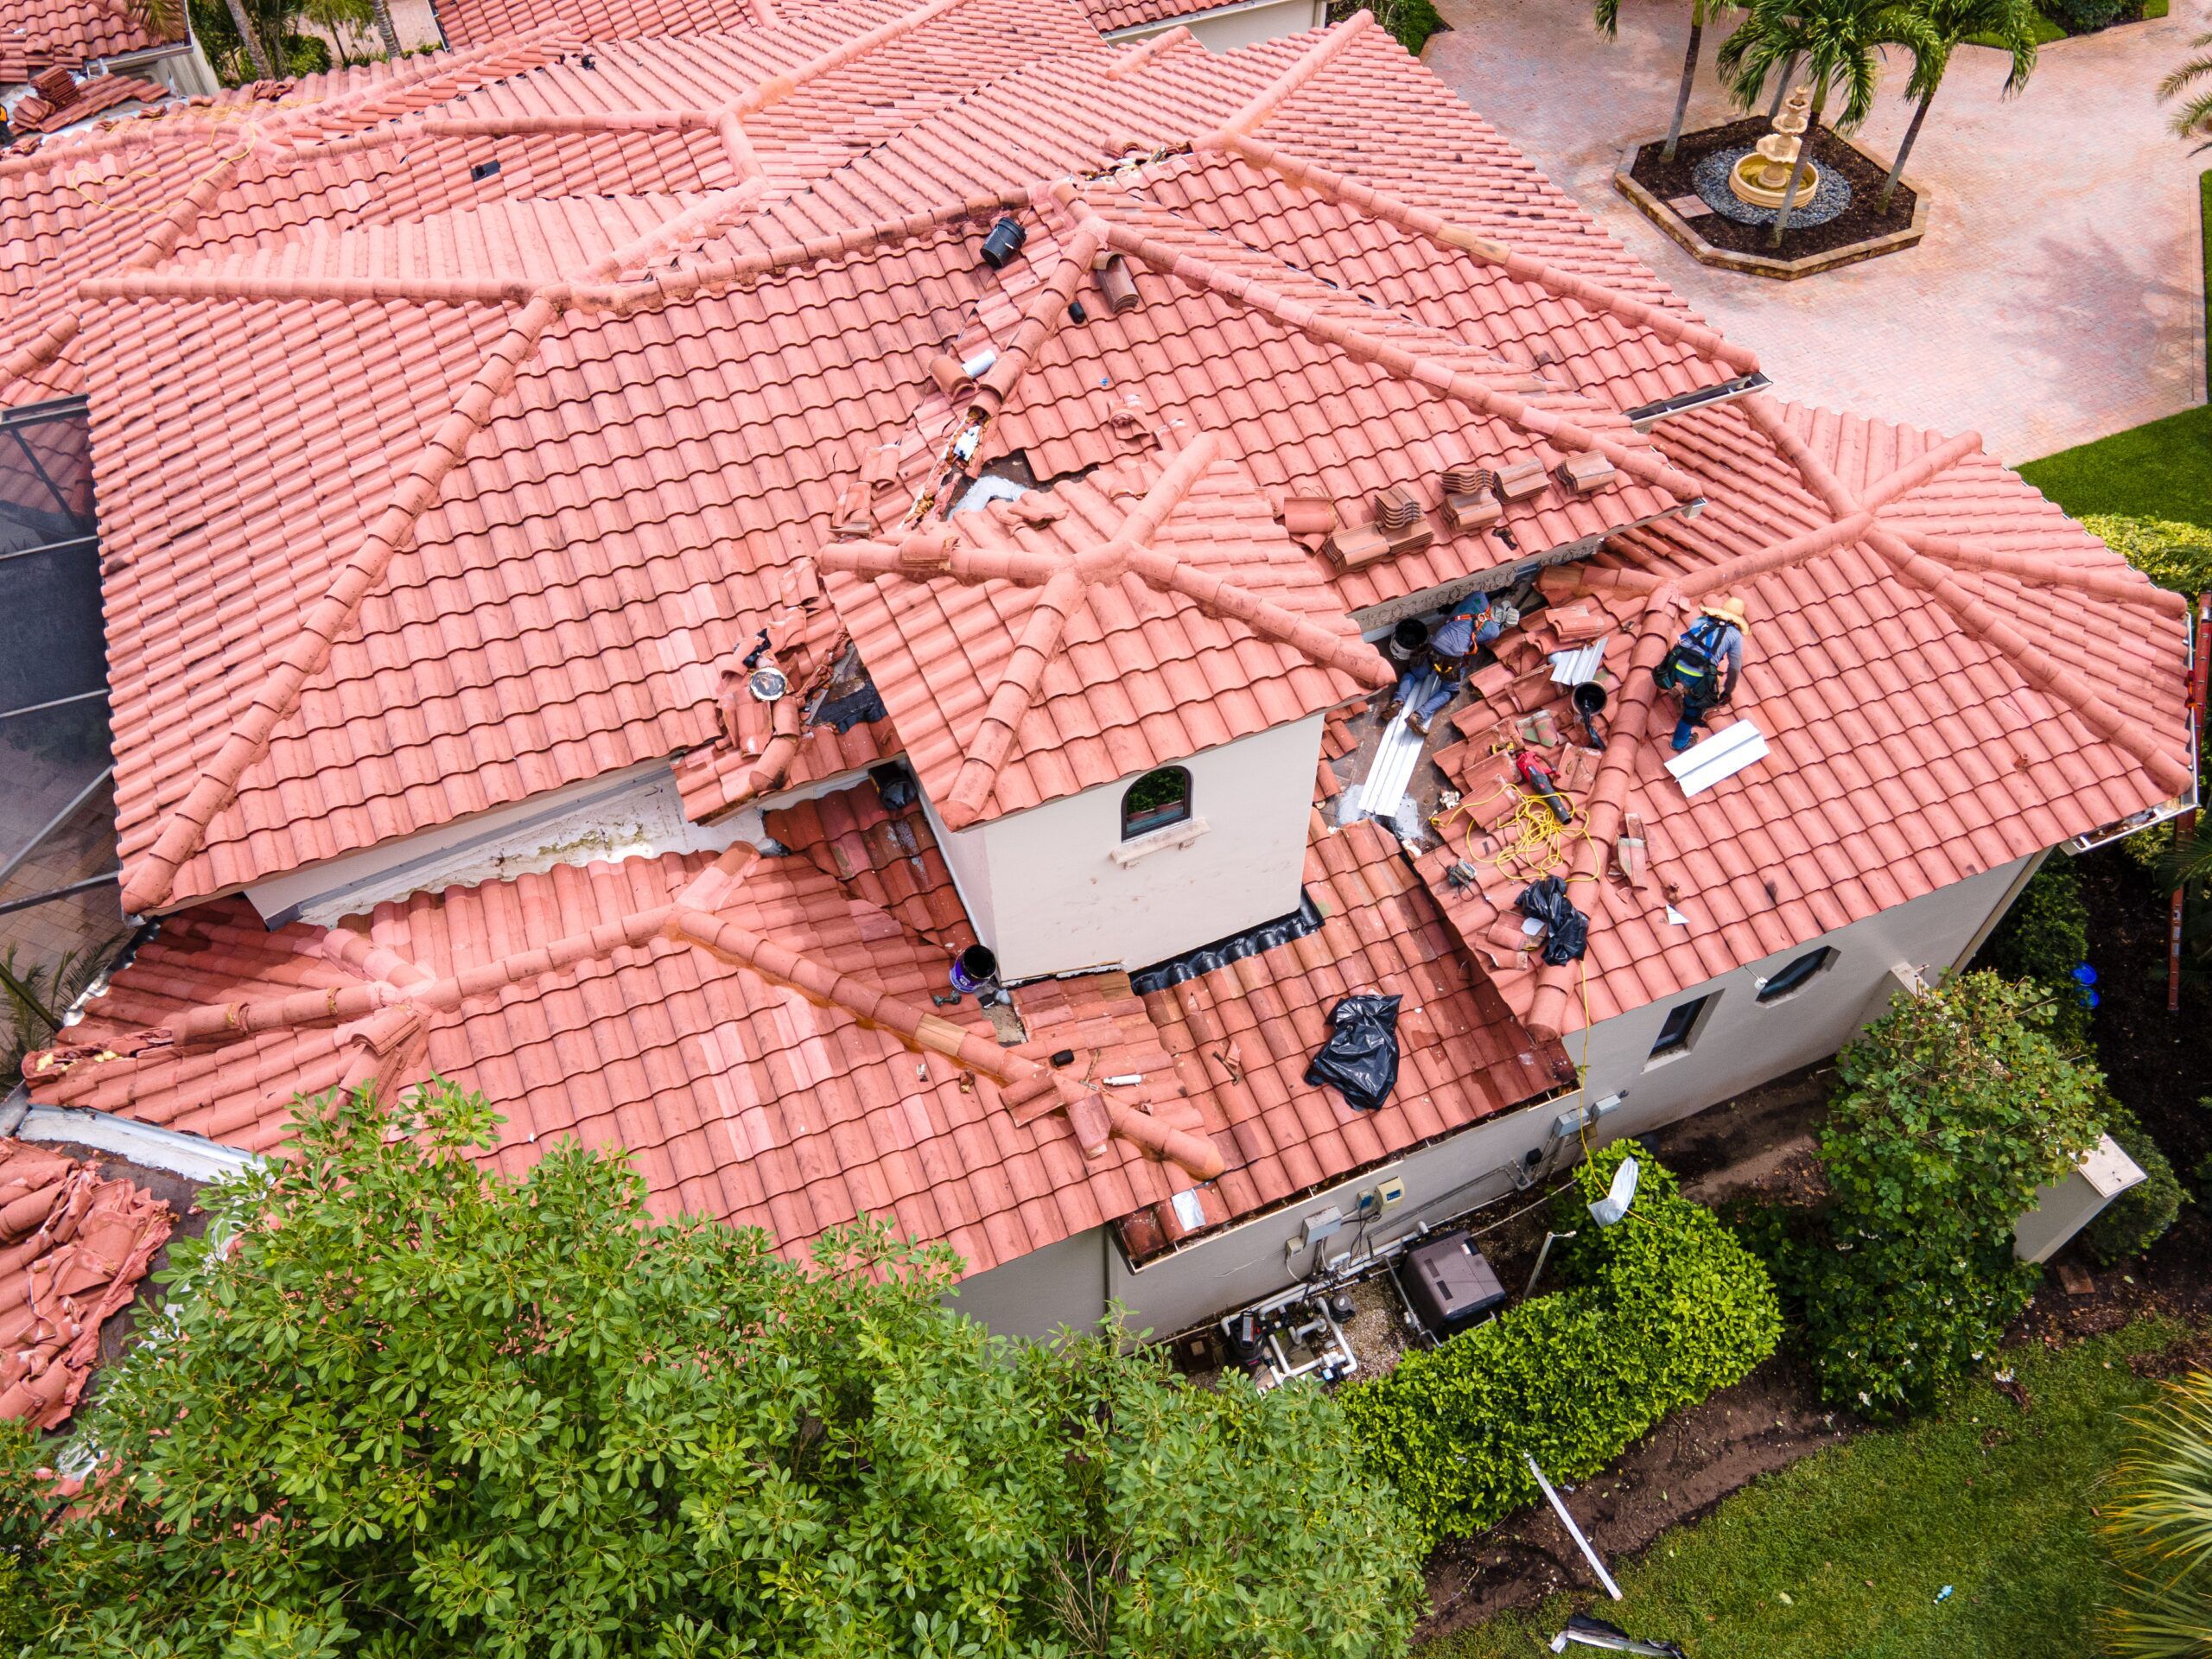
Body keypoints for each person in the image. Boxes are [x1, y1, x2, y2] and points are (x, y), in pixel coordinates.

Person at [1385, 589, 1508, 737]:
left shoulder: (1476, 596)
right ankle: (1418, 716)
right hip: (1451, 659)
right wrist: (1498, 623)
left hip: (1436, 644)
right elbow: (1487, 637)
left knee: (1414, 673)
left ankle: (1397, 702)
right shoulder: (1491, 628)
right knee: (1449, 691)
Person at [1655, 595, 1746, 751]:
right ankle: (1680, 742)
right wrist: (1728, 691)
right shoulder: (1735, 636)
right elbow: (1734, 667)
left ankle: (1679, 689)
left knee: (1687, 680)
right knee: (1695, 708)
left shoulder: (1700, 621)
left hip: (1674, 666)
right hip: (1696, 677)